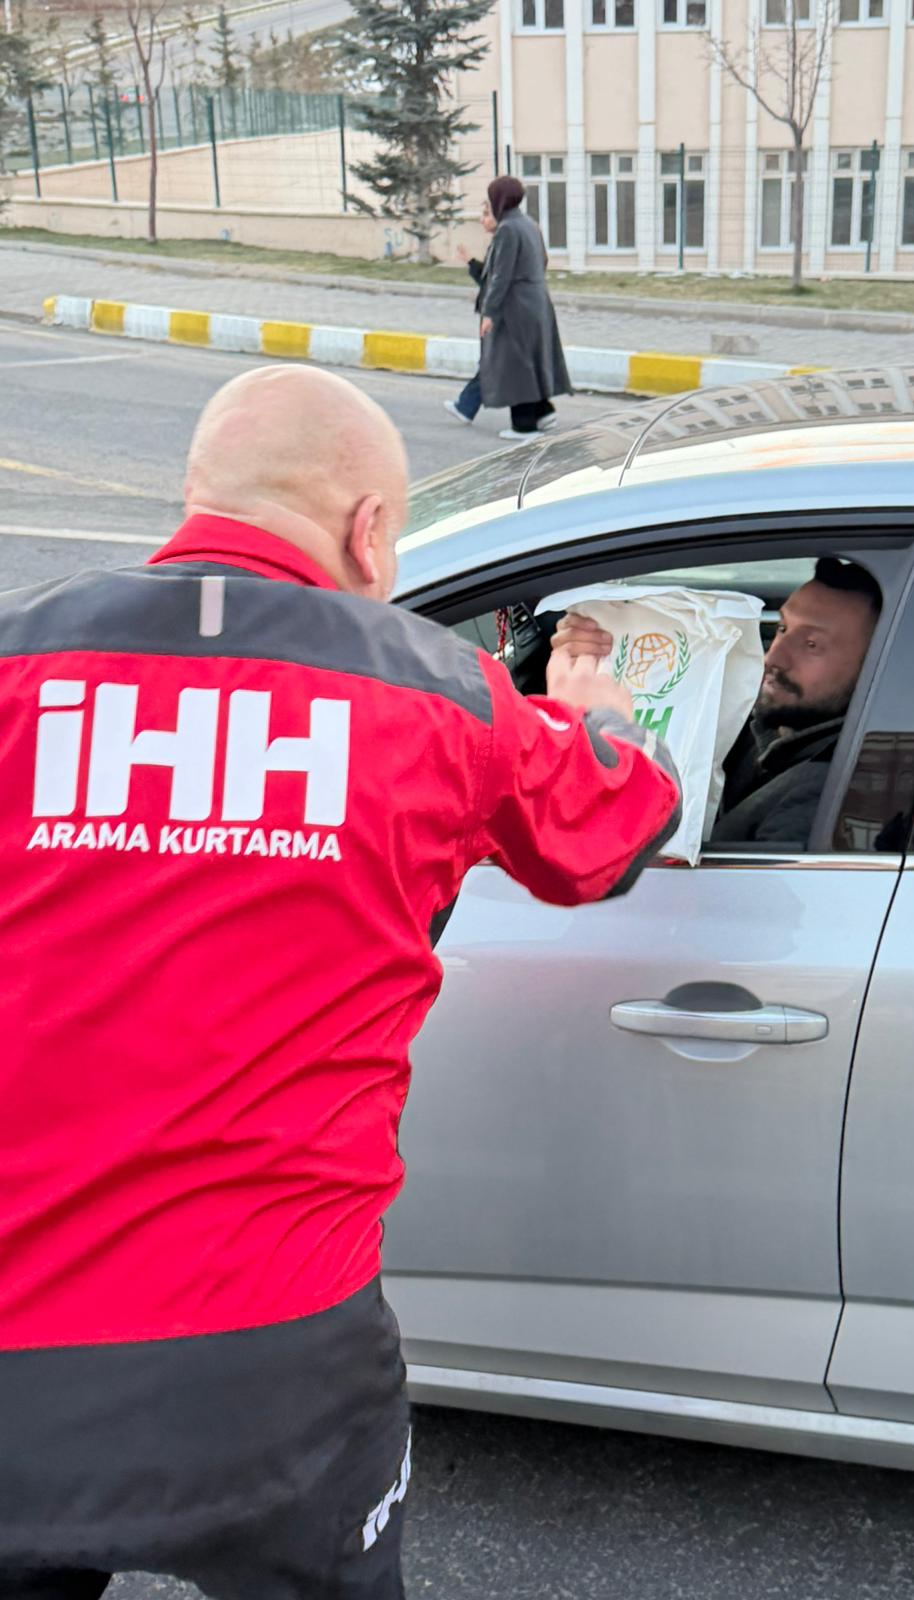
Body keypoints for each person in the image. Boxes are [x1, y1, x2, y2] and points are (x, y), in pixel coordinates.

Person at [0, 364, 680, 1600]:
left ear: (198, 495)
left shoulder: (13, 664)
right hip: (278, 1355)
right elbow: (609, 832)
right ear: (370, 530)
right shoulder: (441, 696)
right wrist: (605, 719)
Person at [551, 557, 881, 850]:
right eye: (783, 628)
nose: (773, 657)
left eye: (811, 644)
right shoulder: (777, 725)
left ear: (876, 665)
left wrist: (595, 723)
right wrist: (597, 646)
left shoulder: (825, 800)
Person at [475, 175, 571, 441]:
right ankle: (544, 412)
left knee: (514, 363)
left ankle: (524, 425)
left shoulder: (507, 228)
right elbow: (543, 260)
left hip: (515, 305)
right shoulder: (529, 223)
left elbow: (501, 276)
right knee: (532, 358)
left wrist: (489, 312)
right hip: (536, 301)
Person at [442, 198, 497, 429]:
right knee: (492, 362)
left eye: (486, 214)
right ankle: (466, 406)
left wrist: (490, 312)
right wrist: (470, 262)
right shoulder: (499, 241)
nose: (481, 219)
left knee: (493, 363)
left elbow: (497, 282)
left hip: (495, 314)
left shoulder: (505, 240)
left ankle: (466, 406)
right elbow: (489, 278)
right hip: (493, 312)